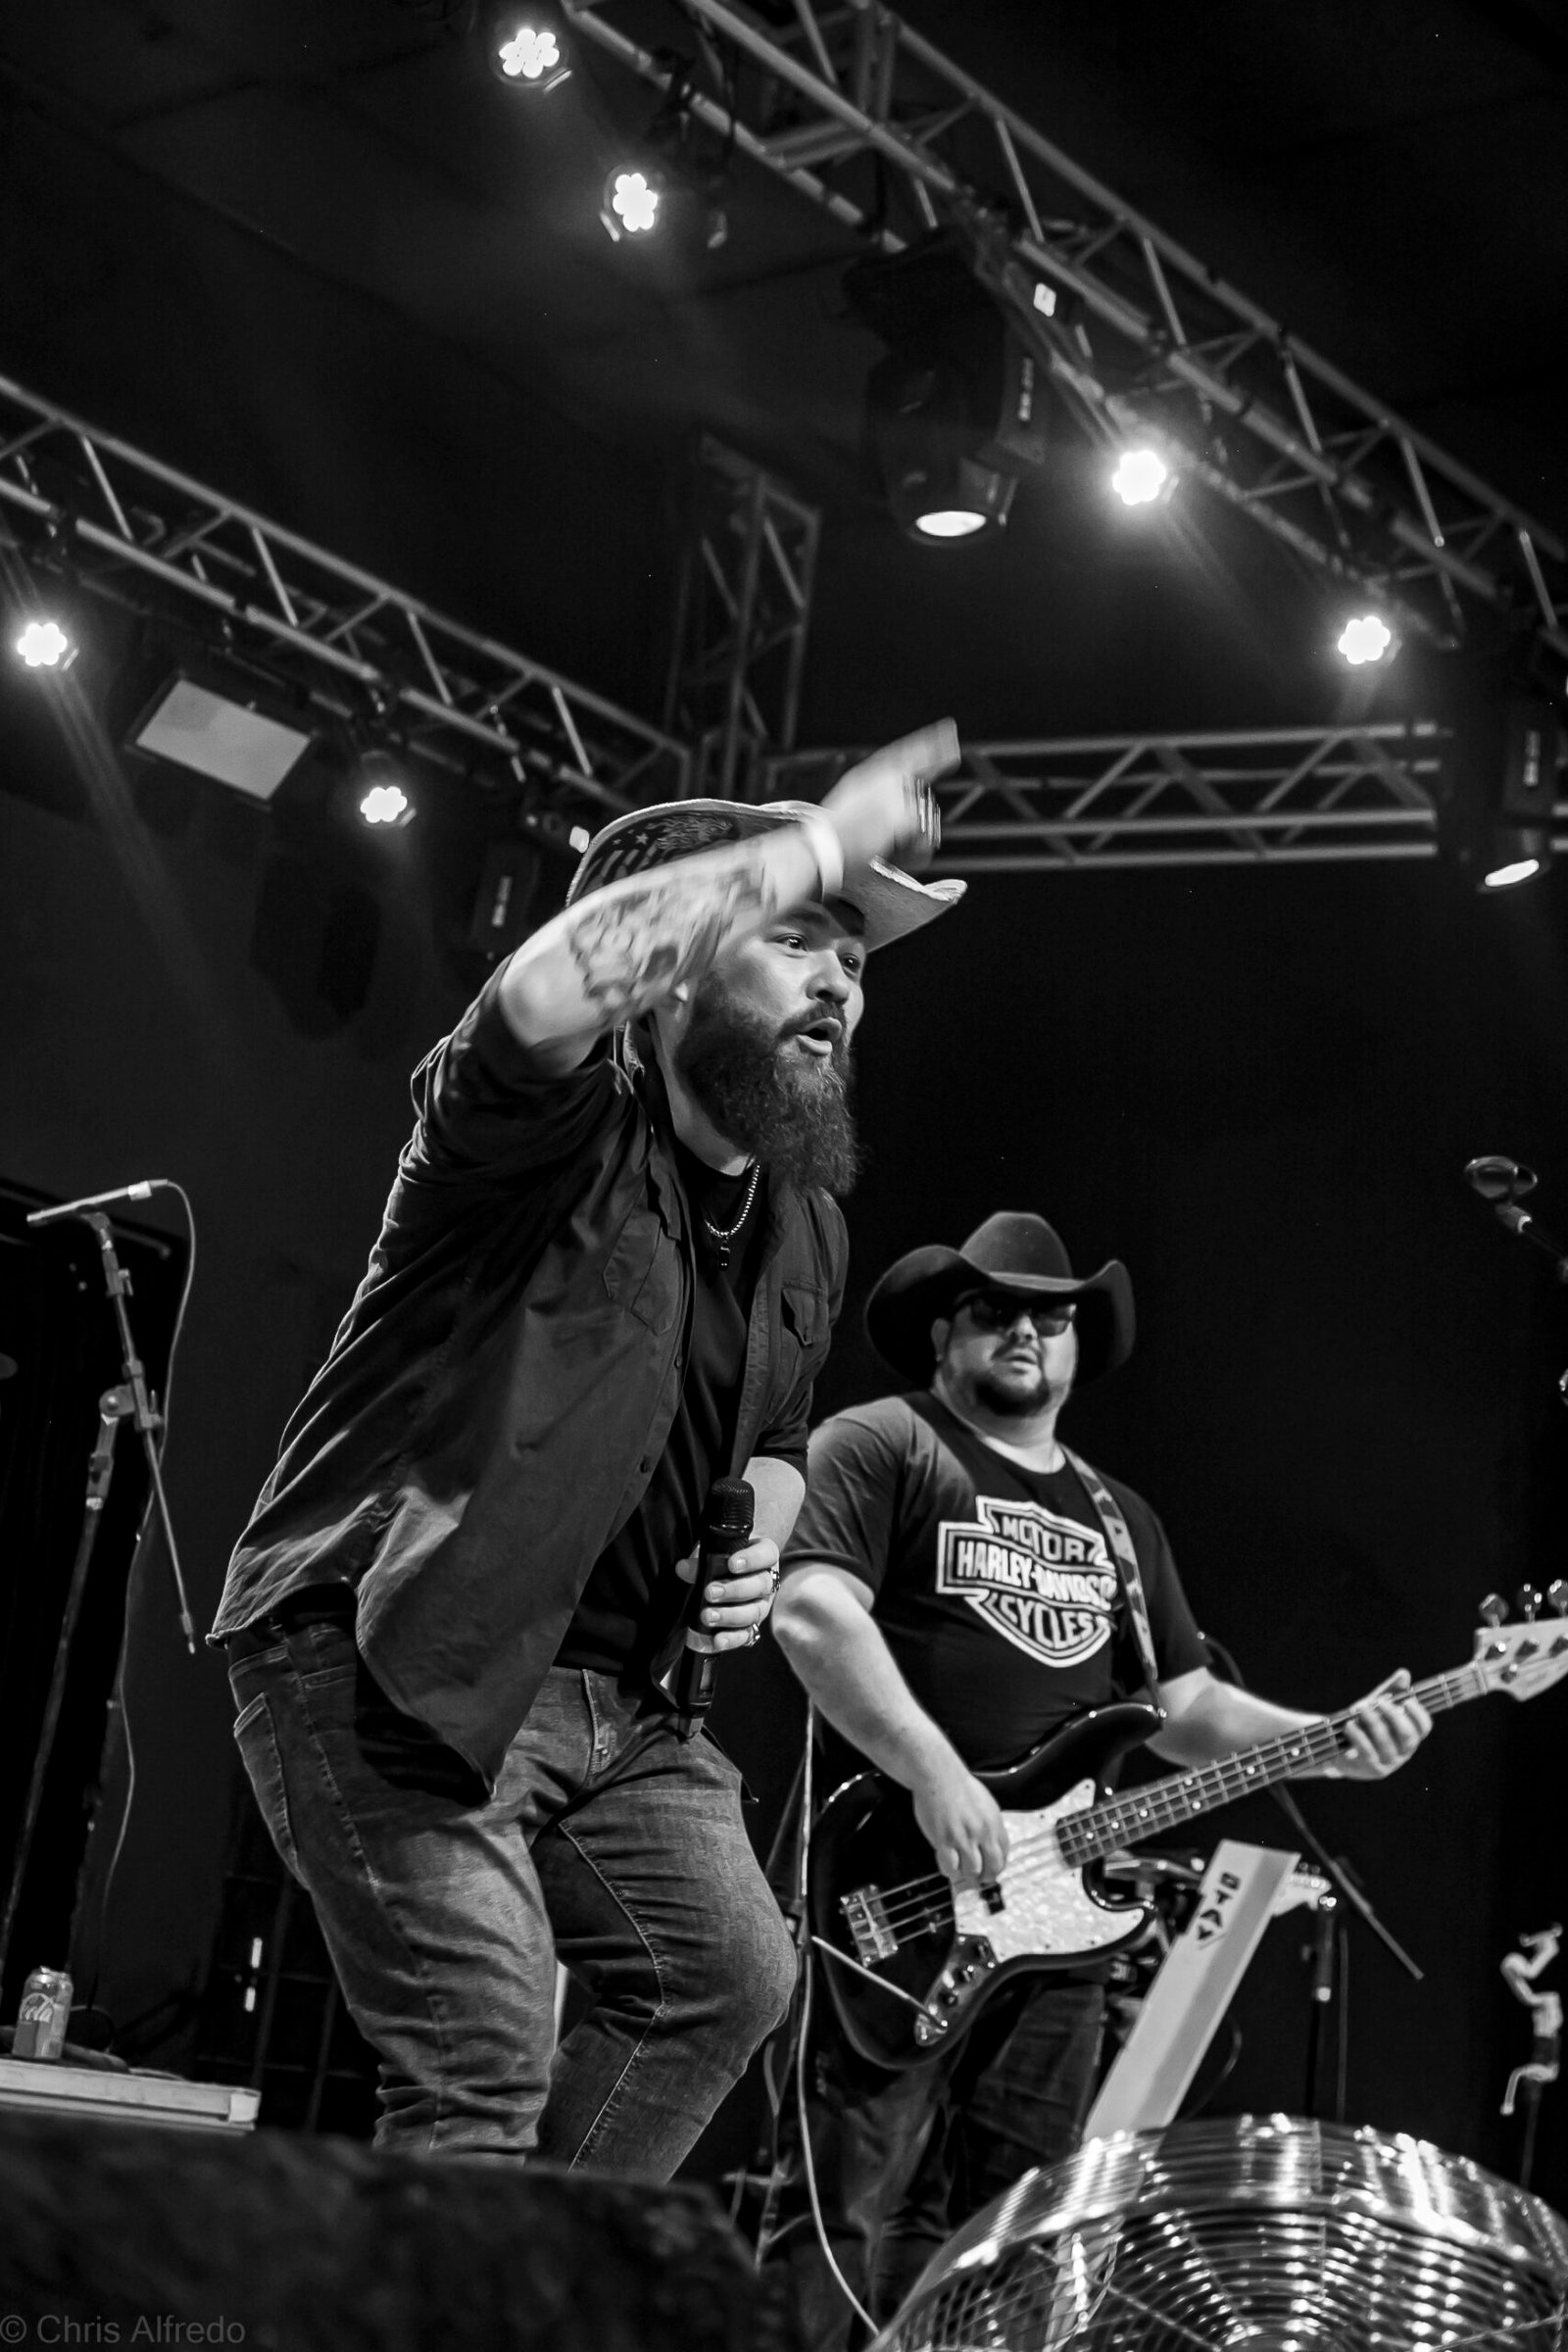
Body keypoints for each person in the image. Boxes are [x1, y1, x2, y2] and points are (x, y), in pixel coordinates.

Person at [208, 718, 965, 2172]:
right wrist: (819, 837)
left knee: (728, 1976)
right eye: (794, 939)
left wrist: (763, 1525)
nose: (838, 983)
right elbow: (552, 987)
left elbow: (781, 1431)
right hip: (394, 1649)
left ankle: (525, 2274)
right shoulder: (544, 1119)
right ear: (673, 970)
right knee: (479, 2068)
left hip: (626, 1702)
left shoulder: (805, 1222)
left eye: (856, 961)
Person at [760, 1211, 1432, 2346]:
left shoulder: (1119, 1520)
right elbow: (810, 1610)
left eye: (1052, 1314)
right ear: (944, 1333)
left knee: (1016, 2231)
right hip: (891, 1888)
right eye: (995, 1308)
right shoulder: (883, 1442)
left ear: (1077, 1345)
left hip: (1058, 1930)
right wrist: (934, 1774)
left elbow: (1184, 1708)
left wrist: (1330, 1737)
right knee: (837, 2209)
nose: (1026, 1329)